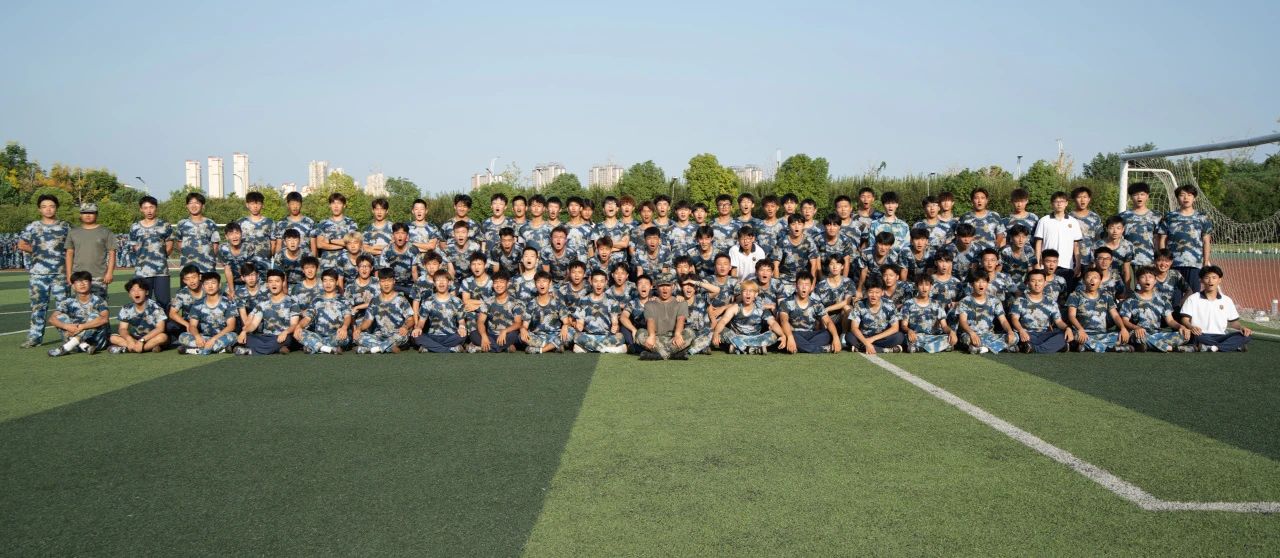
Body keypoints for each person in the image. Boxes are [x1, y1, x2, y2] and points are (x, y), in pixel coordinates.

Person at [17, 194, 71, 348]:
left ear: (56, 208)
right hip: (38, 274)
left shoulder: (66, 227)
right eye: (44, 206)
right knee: (38, 306)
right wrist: (39, 251)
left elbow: (72, 248)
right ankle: (35, 337)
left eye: (51, 206)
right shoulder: (32, 226)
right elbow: (21, 244)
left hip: (60, 273)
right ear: (39, 209)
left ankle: (67, 336)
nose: (48, 209)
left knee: (64, 307)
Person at [1179, 265, 1252, 352]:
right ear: (1201, 280)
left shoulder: (1227, 300)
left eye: (1214, 277)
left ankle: (1213, 348)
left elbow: (1233, 322)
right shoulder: (1193, 298)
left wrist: (1242, 327)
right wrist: (1191, 327)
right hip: (1201, 334)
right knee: (1195, 337)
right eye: (1207, 278)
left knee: (1246, 336)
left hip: (1221, 336)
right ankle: (1231, 346)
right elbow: (1184, 320)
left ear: (1220, 280)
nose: (1210, 281)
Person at [1156, 185, 1213, 291]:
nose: (1186, 198)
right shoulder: (1169, 217)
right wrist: (1164, 260)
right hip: (1173, 264)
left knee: (1193, 295)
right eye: (1182, 195)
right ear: (1177, 198)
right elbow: (1162, 239)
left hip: (1194, 263)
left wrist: (1205, 262)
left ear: (1194, 198)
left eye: (1189, 195)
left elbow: (1206, 241)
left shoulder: (1202, 217)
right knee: (1174, 296)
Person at [1120, 266, 1189, 353]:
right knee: (1139, 338)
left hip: (1157, 334)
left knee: (1183, 335)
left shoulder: (1163, 299)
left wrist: (1181, 326)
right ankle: (1172, 348)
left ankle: (1149, 345)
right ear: (1137, 281)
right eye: (1143, 277)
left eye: (1150, 277)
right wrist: (1136, 328)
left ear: (1155, 280)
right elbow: (1125, 320)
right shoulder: (1130, 300)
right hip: (1139, 333)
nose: (1147, 279)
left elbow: (1170, 321)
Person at [235, 269, 301, 355]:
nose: (273, 284)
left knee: (287, 339)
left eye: (277, 281)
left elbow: (294, 325)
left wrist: (285, 332)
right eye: (270, 281)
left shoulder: (292, 302)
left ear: (283, 283)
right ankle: (277, 349)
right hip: (266, 337)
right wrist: (244, 331)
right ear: (267, 284)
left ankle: (250, 351)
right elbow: (254, 324)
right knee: (248, 337)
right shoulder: (263, 303)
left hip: (284, 336)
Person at [1066, 267, 1131, 352]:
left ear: (1100, 281)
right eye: (1089, 277)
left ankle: (1090, 347)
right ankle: (1110, 348)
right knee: (1077, 337)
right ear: (1084, 280)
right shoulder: (1075, 295)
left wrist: (1123, 328)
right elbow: (1071, 316)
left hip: (1102, 334)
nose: (1092, 280)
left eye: (1095, 277)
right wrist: (1080, 329)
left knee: (1123, 335)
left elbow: (1115, 315)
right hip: (1084, 333)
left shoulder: (1106, 296)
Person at [47, 271, 110, 356]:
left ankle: (66, 348)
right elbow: (52, 319)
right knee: (60, 317)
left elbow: (104, 319)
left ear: (90, 283)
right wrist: (66, 326)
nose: (82, 284)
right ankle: (84, 346)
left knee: (95, 316)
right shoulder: (68, 301)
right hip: (76, 341)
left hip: (96, 342)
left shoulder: (99, 300)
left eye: (85, 281)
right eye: (78, 282)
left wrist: (82, 326)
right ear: (73, 286)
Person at [1009, 269, 1073, 353]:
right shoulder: (1019, 301)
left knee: (1062, 335)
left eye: (1040, 281)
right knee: (1016, 337)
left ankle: (1033, 348)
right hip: (1027, 334)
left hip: (1044, 334)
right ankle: (1056, 346)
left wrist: (1067, 328)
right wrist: (1021, 330)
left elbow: (1058, 321)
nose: (1037, 284)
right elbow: (1014, 319)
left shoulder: (1051, 302)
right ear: (1027, 283)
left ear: (1045, 283)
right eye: (1033, 281)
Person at [712, 280, 782, 354]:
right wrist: (716, 333)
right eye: (745, 291)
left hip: (755, 338)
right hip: (737, 336)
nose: (748, 293)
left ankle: (738, 348)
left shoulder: (761, 309)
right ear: (741, 294)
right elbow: (723, 321)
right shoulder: (735, 308)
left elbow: (773, 323)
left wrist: (782, 335)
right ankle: (754, 349)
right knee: (722, 331)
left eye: (751, 291)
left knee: (774, 334)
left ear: (756, 294)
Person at [128, 195, 174, 308]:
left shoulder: (165, 225)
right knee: (143, 302)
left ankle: (164, 321)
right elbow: (134, 246)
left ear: (156, 208)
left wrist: (161, 257)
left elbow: (170, 244)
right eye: (145, 208)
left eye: (151, 207)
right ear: (141, 209)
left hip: (161, 272)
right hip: (142, 272)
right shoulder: (135, 227)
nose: (149, 210)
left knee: (164, 303)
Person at [354, 269, 415, 354]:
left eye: (389, 281)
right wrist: (359, 328)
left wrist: (405, 327)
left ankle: (370, 349)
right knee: (358, 337)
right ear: (379, 282)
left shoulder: (401, 299)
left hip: (397, 334)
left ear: (394, 281)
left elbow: (411, 320)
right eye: (383, 281)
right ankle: (388, 348)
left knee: (401, 337)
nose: (386, 284)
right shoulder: (375, 301)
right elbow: (368, 321)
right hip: (380, 335)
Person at [177, 272, 239, 355]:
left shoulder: (228, 302)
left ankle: (195, 350)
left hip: (222, 336)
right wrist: (197, 337)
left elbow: (231, 326)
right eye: (206, 284)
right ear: (203, 286)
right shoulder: (197, 304)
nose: (210, 286)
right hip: (204, 337)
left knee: (234, 336)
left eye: (213, 283)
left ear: (219, 285)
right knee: (182, 336)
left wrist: (213, 339)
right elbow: (192, 326)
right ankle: (220, 349)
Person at [780, 272, 841, 354]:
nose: (804, 287)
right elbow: (783, 321)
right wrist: (790, 337)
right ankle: (821, 349)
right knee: (789, 336)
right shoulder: (786, 302)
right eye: (801, 284)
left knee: (828, 334)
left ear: (812, 287)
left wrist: (836, 337)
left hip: (811, 335)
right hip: (794, 334)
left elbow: (828, 321)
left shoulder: (816, 304)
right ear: (796, 286)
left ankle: (801, 347)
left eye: (807, 284)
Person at [65, 202, 116, 299]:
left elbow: (112, 253)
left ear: (96, 214)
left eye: (91, 212)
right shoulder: (73, 232)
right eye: (84, 213)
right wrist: (69, 274)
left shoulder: (106, 232)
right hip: (78, 276)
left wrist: (109, 273)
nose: (88, 215)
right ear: (80, 215)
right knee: (79, 305)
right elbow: (69, 253)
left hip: (99, 276)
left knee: (99, 305)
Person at [956, 272, 1016, 354]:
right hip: (971, 334)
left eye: (984, 281)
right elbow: (962, 321)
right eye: (977, 282)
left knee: (1015, 337)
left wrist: (1009, 331)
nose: (981, 285)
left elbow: (1003, 320)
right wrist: (971, 333)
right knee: (967, 339)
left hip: (989, 335)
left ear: (987, 283)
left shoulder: (995, 301)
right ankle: (1001, 347)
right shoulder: (965, 301)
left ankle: (982, 349)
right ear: (972, 284)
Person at [634, 273, 690, 360]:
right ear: (657, 287)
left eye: (667, 285)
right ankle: (672, 354)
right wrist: (652, 336)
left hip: (673, 339)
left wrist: (677, 334)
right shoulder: (649, 304)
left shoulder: (681, 303)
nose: (664, 288)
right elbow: (650, 320)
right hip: (656, 339)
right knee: (640, 333)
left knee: (690, 332)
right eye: (661, 286)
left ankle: (658, 355)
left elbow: (681, 319)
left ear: (673, 286)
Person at [1034, 191, 1083, 289]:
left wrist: (1078, 264)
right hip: (1046, 265)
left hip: (1066, 265)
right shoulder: (1044, 220)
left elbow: (1076, 245)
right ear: (1052, 203)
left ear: (1066, 203)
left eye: (1062, 201)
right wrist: (1037, 262)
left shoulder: (1073, 222)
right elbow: (1038, 243)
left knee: (1065, 293)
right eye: (1056, 201)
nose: (1059, 204)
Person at [570, 270, 628, 353]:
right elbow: (580, 323)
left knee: (620, 337)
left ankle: (588, 349)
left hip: (607, 336)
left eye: (602, 281)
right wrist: (579, 325)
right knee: (577, 336)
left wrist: (615, 327)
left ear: (606, 282)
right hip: (589, 336)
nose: (599, 284)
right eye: (596, 281)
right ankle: (607, 349)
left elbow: (615, 323)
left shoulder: (612, 301)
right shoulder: (583, 300)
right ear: (591, 281)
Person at [298, 269, 353, 355]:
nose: (328, 283)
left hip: (336, 335)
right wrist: (299, 326)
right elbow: (307, 318)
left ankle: (314, 346)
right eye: (325, 280)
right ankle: (327, 349)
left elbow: (347, 316)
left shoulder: (343, 300)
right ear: (322, 282)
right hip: (318, 336)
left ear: (336, 282)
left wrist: (344, 327)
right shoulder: (316, 300)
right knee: (299, 332)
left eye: (331, 280)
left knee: (344, 338)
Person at [412, 270, 467, 353]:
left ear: (449, 282)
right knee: (415, 336)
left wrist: (462, 327)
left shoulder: (457, 301)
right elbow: (421, 322)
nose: (441, 283)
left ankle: (429, 348)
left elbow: (461, 321)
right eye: (438, 280)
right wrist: (418, 328)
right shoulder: (428, 301)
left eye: (444, 280)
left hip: (451, 336)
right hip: (433, 336)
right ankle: (450, 349)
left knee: (463, 335)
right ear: (434, 283)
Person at [109, 278, 169, 353]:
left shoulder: (155, 307)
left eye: (140, 290)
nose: (136, 293)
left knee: (162, 337)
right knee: (113, 338)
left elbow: (160, 328)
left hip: (151, 337)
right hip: (135, 338)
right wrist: (129, 339)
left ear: (146, 292)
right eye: (133, 290)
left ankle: (129, 348)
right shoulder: (126, 308)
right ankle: (146, 348)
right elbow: (122, 329)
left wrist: (142, 340)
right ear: (129, 294)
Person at [901, 274, 956, 353]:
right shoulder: (908, 303)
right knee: (906, 338)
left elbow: (944, 326)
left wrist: (951, 332)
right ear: (916, 286)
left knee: (949, 340)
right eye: (921, 285)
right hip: (916, 336)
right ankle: (931, 348)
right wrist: (909, 331)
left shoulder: (937, 304)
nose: (924, 288)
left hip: (933, 337)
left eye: (927, 285)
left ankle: (920, 348)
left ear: (931, 287)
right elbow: (904, 325)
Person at [846, 277, 902, 354]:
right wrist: (866, 342)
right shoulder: (859, 304)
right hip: (864, 337)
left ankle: (861, 348)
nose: (873, 295)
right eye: (871, 292)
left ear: (882, 292)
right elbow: (854, 328)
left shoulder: (890, 304)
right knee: (849, 336)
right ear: (866, 292)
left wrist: (872, 339)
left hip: (881, 337)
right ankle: (884, 350)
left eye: (877, 292)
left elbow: (895, 328)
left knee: (899, 337)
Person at [472, 270, 525, 353]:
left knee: (514, 335)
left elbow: (518, 323)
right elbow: (480, 321)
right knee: (473, 334)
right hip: (491, 336)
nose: (498, 285)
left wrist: (505, 331)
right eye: (496, 282)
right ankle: (503, 348)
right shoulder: (488, 302)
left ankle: (486, 348)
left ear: (508, 284)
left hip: (507, 335)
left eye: (502, 282)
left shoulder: (515, 303)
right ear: (493, 285)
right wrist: (484, 336)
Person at [521, 271, 570, 354]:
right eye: (538, 281)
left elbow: (566, 322)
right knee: (522, 336)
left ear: (550, 283)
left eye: (544, 281)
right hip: (538, 337)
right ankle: (554, 346)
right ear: (535, 284)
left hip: (556, 335)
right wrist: (523, 329)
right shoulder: (531, 304)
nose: (541, 284)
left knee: (570, 331)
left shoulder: (558, 302)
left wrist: (565, 326)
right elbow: (525, 325)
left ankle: (541, 350)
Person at [174, 192, 220, 273]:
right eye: (190, 203)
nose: (193, 206)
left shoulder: (210, 223)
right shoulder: (181, 224)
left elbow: (215, 246)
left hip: (207, 268)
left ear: (203, 206)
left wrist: (209, 259)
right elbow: (179, 244)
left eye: (197, 203)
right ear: (187, 206)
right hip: (187, 268)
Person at [314, 192, 359, 270]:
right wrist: (343, 245)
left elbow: (352, 242)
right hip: (327, 265)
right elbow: (320, 244)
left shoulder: (351, 223)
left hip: (346, 265)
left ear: (344, 205)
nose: (336, 206)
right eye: (333, 203)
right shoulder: (323, 223)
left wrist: (330, 241)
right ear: (330, 205)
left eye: (339, 203)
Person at [273, 191, 317, 255]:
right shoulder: (281, 223)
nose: (295, 206)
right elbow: (278, 245)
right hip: (286, 259)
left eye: (297, 204)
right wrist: (277, 258)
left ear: (301, 204)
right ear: (288, 205)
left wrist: (314, 260)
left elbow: (313, 245)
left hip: (304, 259)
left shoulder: (310, 222)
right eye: (292, 204)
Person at [238, 191, 275, 260]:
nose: (255, 206)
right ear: (247, 205)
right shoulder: (240, 223)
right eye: (252, 204)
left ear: (262, 205)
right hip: (245, 262)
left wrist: (268, 257)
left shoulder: (269, 222)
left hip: (264, 262)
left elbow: (273, 243)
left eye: (258, 203)